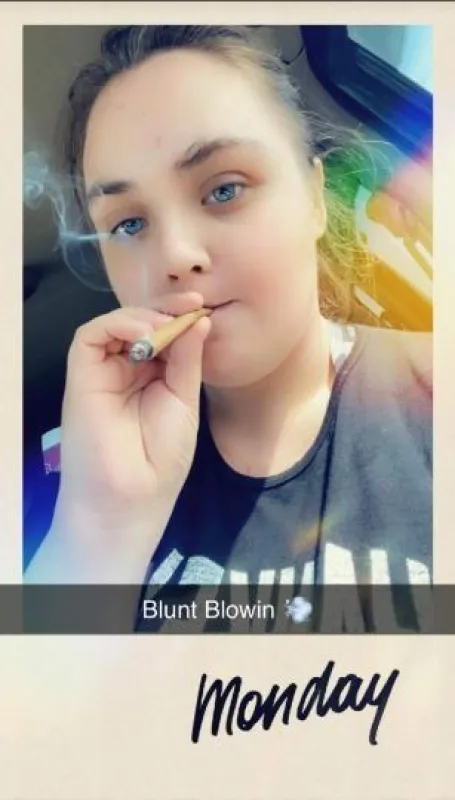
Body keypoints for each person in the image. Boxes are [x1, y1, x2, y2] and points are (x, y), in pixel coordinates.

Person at [24, 25, 432, 610]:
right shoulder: (78, 475)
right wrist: (99, 531)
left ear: (316, 198)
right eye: (129, 224)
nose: (175, 255)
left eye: (224, 190)